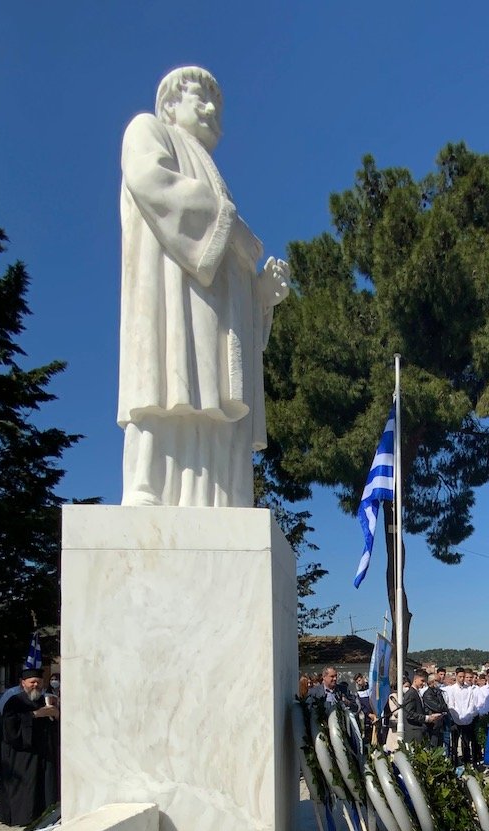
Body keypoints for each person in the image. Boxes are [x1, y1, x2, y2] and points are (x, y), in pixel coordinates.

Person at [119, 66, 290, 507]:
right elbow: (150, 182)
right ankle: (149, 485)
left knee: (214, 397)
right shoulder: (148, 129)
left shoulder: (214, 173)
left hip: (214, 316)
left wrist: (261, 296)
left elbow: (232, 272)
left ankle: (218, 495)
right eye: (202, 99)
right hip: (172, 299)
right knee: (166, 382)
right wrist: (232, 229)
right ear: (171, 104)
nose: (214, 110)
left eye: (219, 105)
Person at [0, 669, 60, 826]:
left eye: (38, 682)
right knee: (26, 791)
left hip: (45, 755)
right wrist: (35, 714)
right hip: (22, 757)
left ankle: (48, 817)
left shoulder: (47, 700)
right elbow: (10, 730)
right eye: (32, 682)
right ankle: (24, 819)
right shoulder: (14, 702)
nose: (35, 685)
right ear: (23, 683)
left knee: (46, 788)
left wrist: (56, 714)